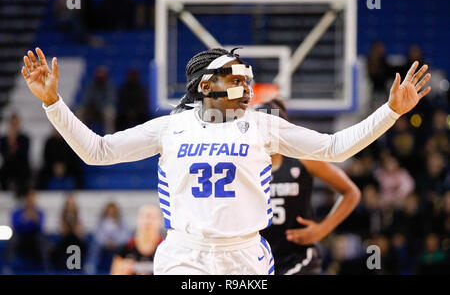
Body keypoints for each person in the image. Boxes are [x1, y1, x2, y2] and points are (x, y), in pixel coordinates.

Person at [21, 47, 431, 275]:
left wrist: (390, 111)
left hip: (245, 255)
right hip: (184, 254)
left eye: (248, 81)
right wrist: (54, 103)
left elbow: (334, 148)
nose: (247, 87)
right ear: (205, 85)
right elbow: (98, 152)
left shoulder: (263, 125)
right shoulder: (170, 127)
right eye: (236, 80)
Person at [258, 99, 361, 275]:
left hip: (299, 258)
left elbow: (351, 192)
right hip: (258, 259)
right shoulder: (244, 164)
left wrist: (322, 229)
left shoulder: (303, 159)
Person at [110, 204, 164, 275]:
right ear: (138, 220)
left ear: (160, 222)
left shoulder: (166, 249)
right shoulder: (126, 248)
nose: (148, 221)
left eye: (153, 218)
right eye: (145, 216)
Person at [0, 113, 31, 197]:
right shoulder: (3, 139)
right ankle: (4, 193)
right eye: (12, 124)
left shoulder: (25, 138)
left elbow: (24, 154)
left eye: (16, 124)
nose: (14, 126)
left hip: (21, 165)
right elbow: (4, 155)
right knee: (3, 171)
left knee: (24, 170)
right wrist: (10, 143)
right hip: (9, 165)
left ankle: (22, 192)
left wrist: (14, 145)